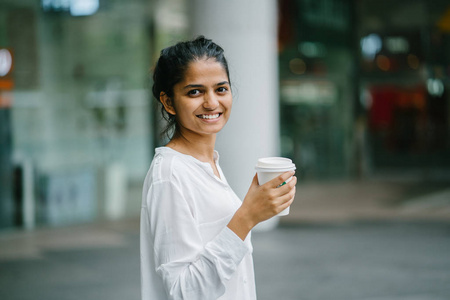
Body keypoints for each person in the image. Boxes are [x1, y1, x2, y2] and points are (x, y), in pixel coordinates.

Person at [140, 36, 297, 300]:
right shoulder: (169, 175)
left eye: (221, 89)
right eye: (195, 92)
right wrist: (246, 217)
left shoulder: (209, 163)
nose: (212, 103)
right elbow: (182, 291)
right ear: (168, 102)